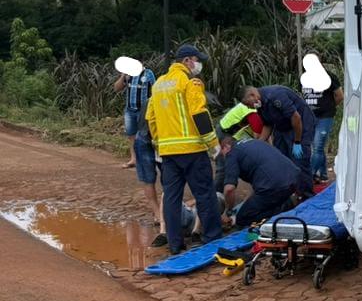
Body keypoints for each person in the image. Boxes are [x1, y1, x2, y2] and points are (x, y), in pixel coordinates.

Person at [145, 44, 222, 255]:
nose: (199, 65)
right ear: (187, 60)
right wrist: (213, 145)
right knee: (205, 194)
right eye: (197, 60)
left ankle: (174, 243)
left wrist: (159, 144)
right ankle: (212, 237)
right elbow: (199, 113)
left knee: (171, 197)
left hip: (169, 153)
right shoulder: (190, 82)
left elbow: (150, 119)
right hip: (193, 150)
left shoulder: (159, 84)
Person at [219, 133, 311, 232]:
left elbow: (229, 189)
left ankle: (287, 206)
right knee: (253, 205)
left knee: (243, 218)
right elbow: (255, 183)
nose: (223, 156)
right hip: (294, 178)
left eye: (221, 153)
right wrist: (246, 202)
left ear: (226, 147)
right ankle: (287, 201)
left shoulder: (232, 153)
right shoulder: (252, 142)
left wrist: (227, 211)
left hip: (275, 186)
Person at [241, 84, 316, 182]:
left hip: (301, 124)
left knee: (299, 161)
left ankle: (306, 194)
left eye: (248, 104)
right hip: (282, 127)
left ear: (252, 95)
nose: (249, 108)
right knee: (281, 159)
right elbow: (268, 124)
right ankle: (288, 190)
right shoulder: (259, 104)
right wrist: (258, 144)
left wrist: (297, 142)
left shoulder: (275, 95)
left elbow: (296, 118)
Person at [301, 55, 343, 183]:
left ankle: (310, 175)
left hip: (325, 117)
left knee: (318, 147)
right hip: (310, 117)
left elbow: (339, 95)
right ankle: (324, 175)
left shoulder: (329, 77)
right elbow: (303, 95)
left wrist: (329, 107)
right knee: (316, 147)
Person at [114, 61, 155, 168]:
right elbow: (117, 88)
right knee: (131, 135)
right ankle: (134, 159)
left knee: (145, 135)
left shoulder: (148, 73)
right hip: (130, 110)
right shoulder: (128, 75)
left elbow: (155, 90)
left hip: (144, 110)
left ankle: (147, 160)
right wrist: (123, 76)